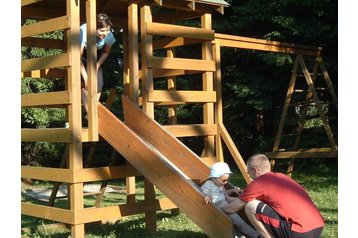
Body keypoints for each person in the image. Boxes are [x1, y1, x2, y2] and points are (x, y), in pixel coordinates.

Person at [221, 154, 325, 238]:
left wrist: (214, 207)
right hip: (318, 227)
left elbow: (231, 209)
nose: (250, 177)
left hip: (300, 232)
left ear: (256, 171)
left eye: (249, 173)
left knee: (250, 206)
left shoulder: (259, 183)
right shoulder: (281, 177)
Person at [201, 162, 262, 238]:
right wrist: (207, 195)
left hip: (225, 204)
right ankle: (256, 236)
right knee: (240, 223)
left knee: (241, 215)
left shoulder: (220, 185)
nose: (226, 182)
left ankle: (252, 233)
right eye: (224, 180)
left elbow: (226, 197)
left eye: (226, 180)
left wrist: (233, 191)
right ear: (214, 177)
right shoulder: (208, 185)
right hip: (220, 208)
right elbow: (202, 193)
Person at [79, 13, 116, 119]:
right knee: (85, 84)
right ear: (94, 27)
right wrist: (85, 77)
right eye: (102, 30)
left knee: (99, 84)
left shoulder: (109, 35)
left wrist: (97, 65)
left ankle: (90, 112)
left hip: (96, 55)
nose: (105, 33)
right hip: (80, 55)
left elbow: (106, 52)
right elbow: (78, 56)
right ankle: (91, 113)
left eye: (107, 30)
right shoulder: (83, 31)